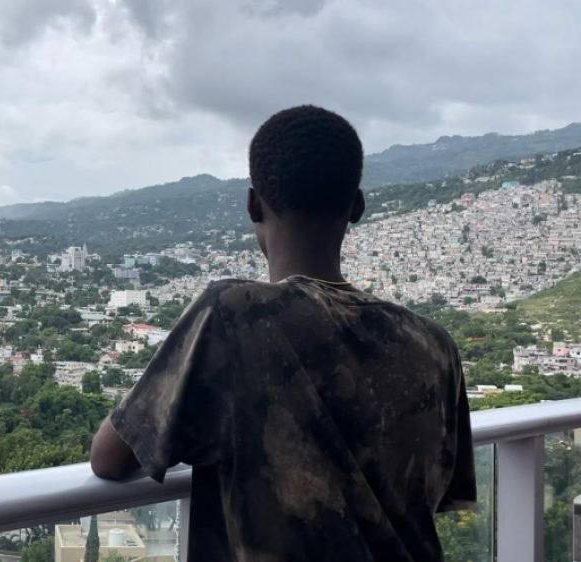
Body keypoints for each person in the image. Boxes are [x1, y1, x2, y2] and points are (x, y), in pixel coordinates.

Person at [89, 105, 475, 561]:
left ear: (253, 203)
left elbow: (110, 458)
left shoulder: (234, 315)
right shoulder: (434, 345)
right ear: (357, 206)